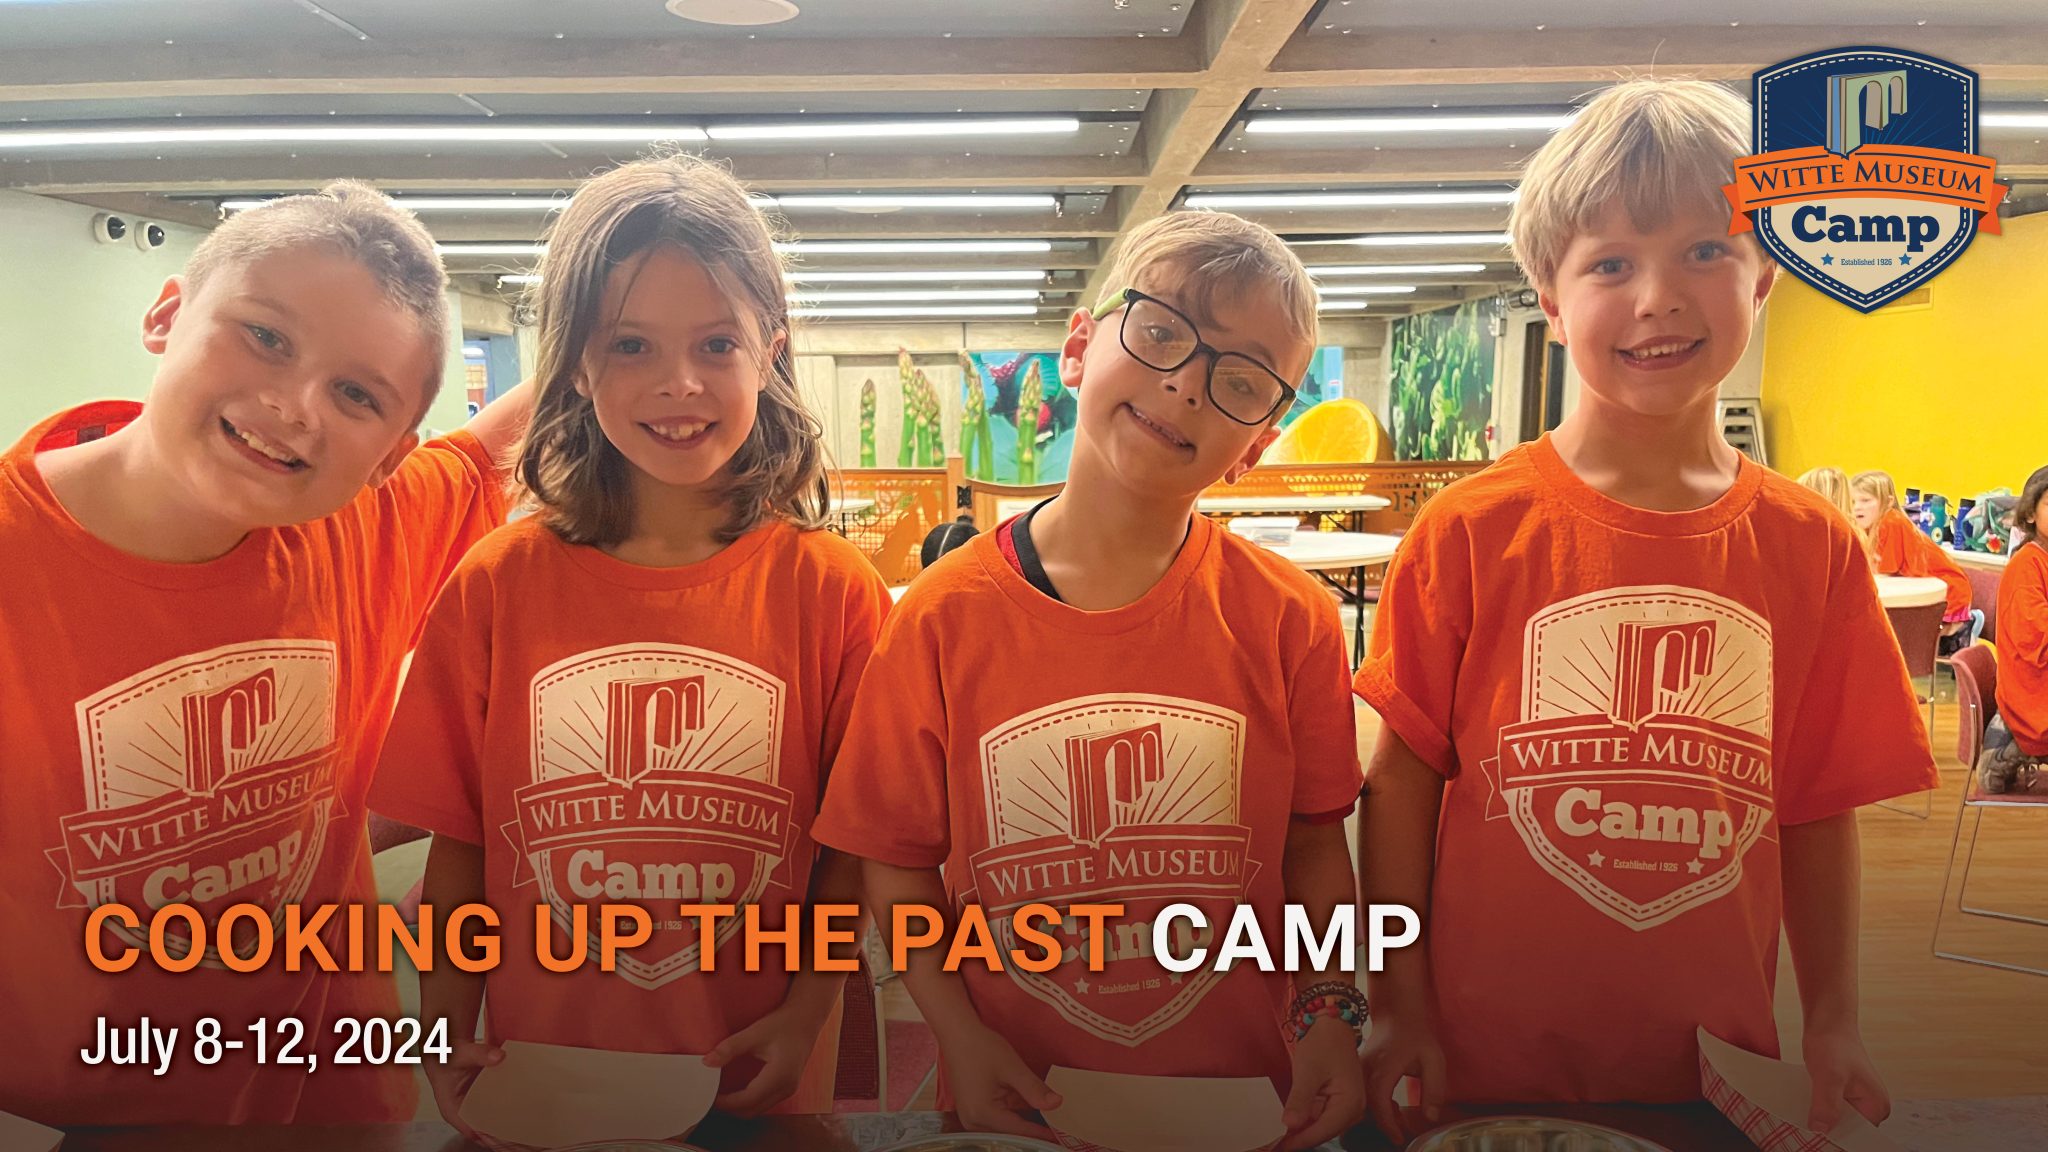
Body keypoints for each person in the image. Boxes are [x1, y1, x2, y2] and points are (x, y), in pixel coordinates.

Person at [1352, 78, 1938, 1142]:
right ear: (1547, 293)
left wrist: (1836, 1022)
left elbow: (1815, 809)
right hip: (1477, 1063)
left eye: (1705, 251)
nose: (1657, 296)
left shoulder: (1810, 551)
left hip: (1709, 1074)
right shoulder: (1469, 531)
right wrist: (1393, 1004)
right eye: (1609, 263)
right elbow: (1397, 786)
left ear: (1765, 277)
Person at [812, 211, 1367, 1150]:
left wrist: (1332, 1012)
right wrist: (958, 1035)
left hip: (1238, 1102)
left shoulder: (1290, 621)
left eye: (1239, 381)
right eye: (1160, 332)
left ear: (1262, 442)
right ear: (1079, 345)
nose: (1184, 385)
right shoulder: (940, 620)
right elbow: (896, 865)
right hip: (1015, 1099)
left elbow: (1316, 848)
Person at [368, 155, 890, 1136]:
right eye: (631, 345)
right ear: (573, 361)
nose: (678, 383)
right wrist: (443, 1032)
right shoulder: (495, 585)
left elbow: (848, 858)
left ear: (768, 350)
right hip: (546, 1079)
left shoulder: (835, 595)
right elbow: (460, 849)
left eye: (716, 344)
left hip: (756, 1073)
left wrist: (808, 1011)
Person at [0, 183, 531, 1125]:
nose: (293, 405)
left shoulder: (364, 533)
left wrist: (626, 297)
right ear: (166, 313)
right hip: (68, 1123)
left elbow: (494, 448)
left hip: (336, 1095)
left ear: (388, 455)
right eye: (266, 336)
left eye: (356, 393)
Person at [1849, 470, 1975, 651]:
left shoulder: (1890, 522)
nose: (1857, 507)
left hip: (1950, 589)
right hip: (1938, 585)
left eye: (1866, 501)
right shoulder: (1873, 527)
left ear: (1889, 502)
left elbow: (1885, 571)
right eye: (1853, 502)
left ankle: (1959, 628)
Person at [1982, 464, 2048, 793]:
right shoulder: (2027, 565)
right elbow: (2035, 637)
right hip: (2033, 685)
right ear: (2031, 513)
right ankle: (2012, 746)